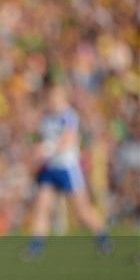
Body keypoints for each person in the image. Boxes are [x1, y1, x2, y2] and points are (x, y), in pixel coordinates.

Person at [23, 84, 113, 259]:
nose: (52, 100)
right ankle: (36, 247)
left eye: (56, 97)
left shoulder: (69, 116)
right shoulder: (46, 117)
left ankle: (103, 237)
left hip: (67, 168)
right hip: (49, 168)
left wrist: (46, 150)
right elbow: (38, 136)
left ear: (63, 98)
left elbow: (68, 139)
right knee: (42, 206)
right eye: (51, 97)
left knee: (82, 211)